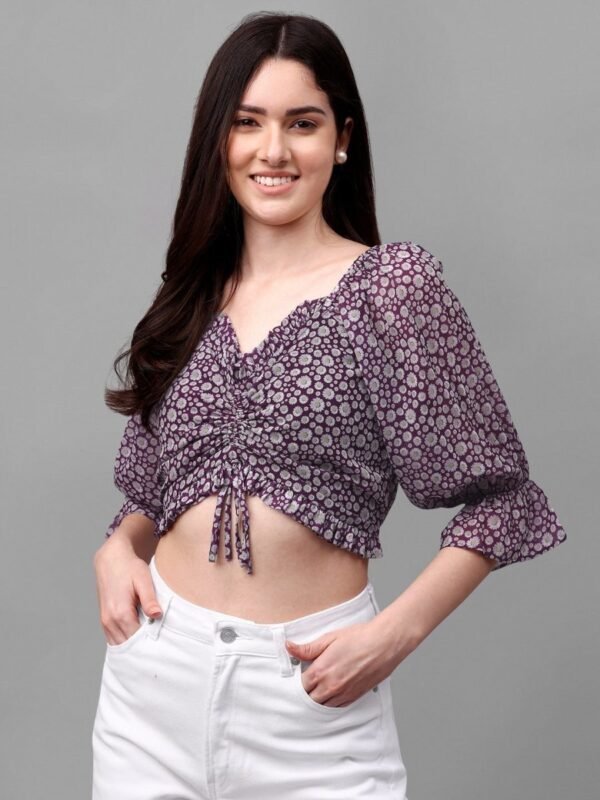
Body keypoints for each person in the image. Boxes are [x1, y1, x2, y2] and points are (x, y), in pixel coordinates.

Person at [91, 11, 567, 800]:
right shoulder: (191, 293)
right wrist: (116, 551)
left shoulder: (391, 292)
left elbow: (504, 500)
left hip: (309, 701)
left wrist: (392, 637)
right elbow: (150, 490)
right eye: (247, 123)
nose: (273, 151)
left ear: (342, 139)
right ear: (218, 139)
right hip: (151, 692)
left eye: (302, 123)